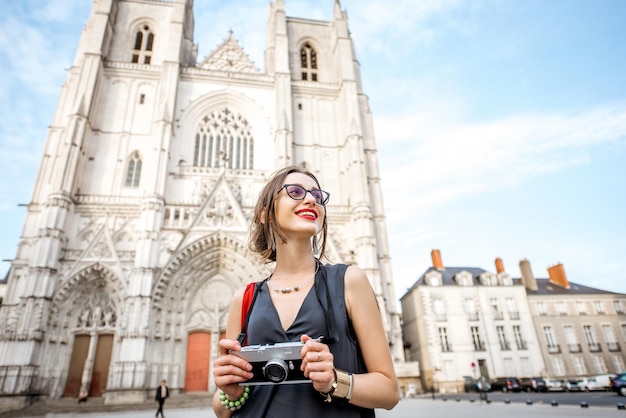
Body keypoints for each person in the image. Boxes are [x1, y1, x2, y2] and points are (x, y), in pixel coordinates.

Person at [212, 166, 399, 417]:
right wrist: (230, 392)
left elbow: (389, 392)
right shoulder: (244, 298)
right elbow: (221, 410)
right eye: (296, 191)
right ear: (265, 214)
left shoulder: (349, 281)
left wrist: (334, 381)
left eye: (318, 196)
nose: (311, 199)